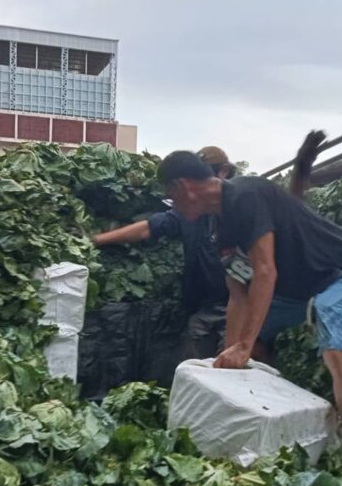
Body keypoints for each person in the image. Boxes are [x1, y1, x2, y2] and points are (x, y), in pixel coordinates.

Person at [157, 149, 342, 456]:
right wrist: (234, 355)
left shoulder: (245, 196)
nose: (176, 207)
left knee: (337, 351)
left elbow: (265, 272)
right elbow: (238, 296)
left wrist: (243, 346)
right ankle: (272, 438)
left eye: (172, 196)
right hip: (298, 290)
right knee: (252, 348)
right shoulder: (216, 228)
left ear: (182, 187)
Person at [92, 147, 237, 360]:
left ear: (223, 172)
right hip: (202, 309)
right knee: (194, 366)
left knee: (231, 367)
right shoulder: (188, 212)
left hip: (236, 308)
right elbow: (148, 228)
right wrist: (97, 240)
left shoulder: (238, 210)